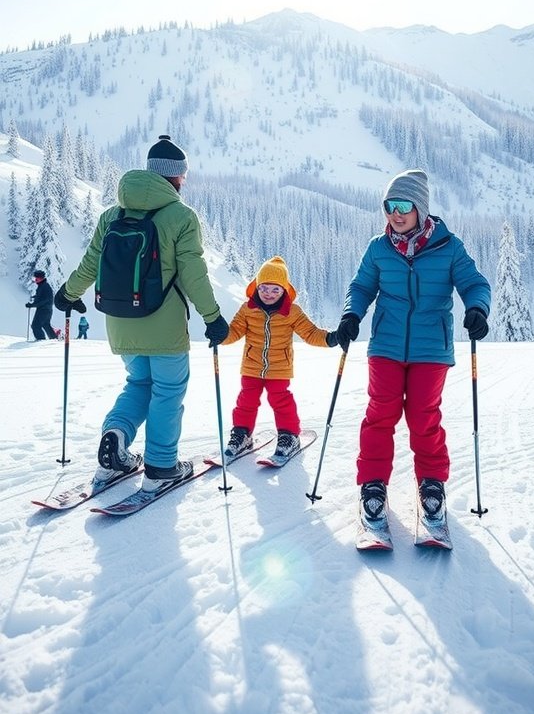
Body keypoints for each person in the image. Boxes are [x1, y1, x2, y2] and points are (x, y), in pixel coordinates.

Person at [54, 134, 229, 489]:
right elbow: (193, 273)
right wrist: (213, 317)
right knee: (167, 390)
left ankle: (116, 437)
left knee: (139, 383)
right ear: (177, 176)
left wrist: (68, 294)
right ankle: (162, 466)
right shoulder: (181, 216)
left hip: (121, 323)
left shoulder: (112, 215)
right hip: (163, 326)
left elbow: (91, 263)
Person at [333, 169, 491, 525]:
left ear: (420, 207)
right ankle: (373, 485)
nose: (396, 213)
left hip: (431, 350)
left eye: (403, 205)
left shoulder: (449, 247)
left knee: (424, 417)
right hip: (386, 346)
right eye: (389, 206)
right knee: (380, 414)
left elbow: (475, 283)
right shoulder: (378, 248)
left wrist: (478, 308)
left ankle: (432, 484)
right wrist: (351, 315)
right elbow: (360, 288)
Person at [219, 255, 338, 462]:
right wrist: (220, 334)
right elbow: (234, 332)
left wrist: (330, 338)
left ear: (284, 290)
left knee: (280, 401)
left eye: (276, 289)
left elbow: (310, 333)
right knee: (245, 401)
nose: (269, 294)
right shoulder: (248, 309)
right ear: (256, 286)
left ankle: (289, 436)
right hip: (251, 366)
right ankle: (242, 434)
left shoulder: (292, 312)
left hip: (279, 367)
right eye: (264, 287)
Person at [25, 270, 58, 341]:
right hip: (46, 310)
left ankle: (41, 340)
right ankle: (54, 339)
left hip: (43, 310)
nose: (35, 279)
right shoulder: (43, 286)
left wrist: (32, 305)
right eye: (35, 278)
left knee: (35, 325)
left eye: (37, 278)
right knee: (46, 325)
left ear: (42, 278)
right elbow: (42, 297)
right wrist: (34, 298)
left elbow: (44, 300)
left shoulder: (44, 286)